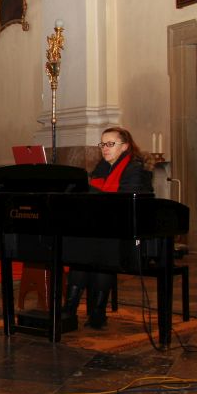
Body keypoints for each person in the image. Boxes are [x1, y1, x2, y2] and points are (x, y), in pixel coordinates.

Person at [64, 126, 154, 329]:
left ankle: (96, 311)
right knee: (81, 245)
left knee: (101, 248)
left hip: (129, 232)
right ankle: (70, 309)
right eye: (102, 144)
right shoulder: (102, 168)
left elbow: (124, 204)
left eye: (110, 144)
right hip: (105, 227)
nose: (105, 148)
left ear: (125, 147)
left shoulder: (135, 169)